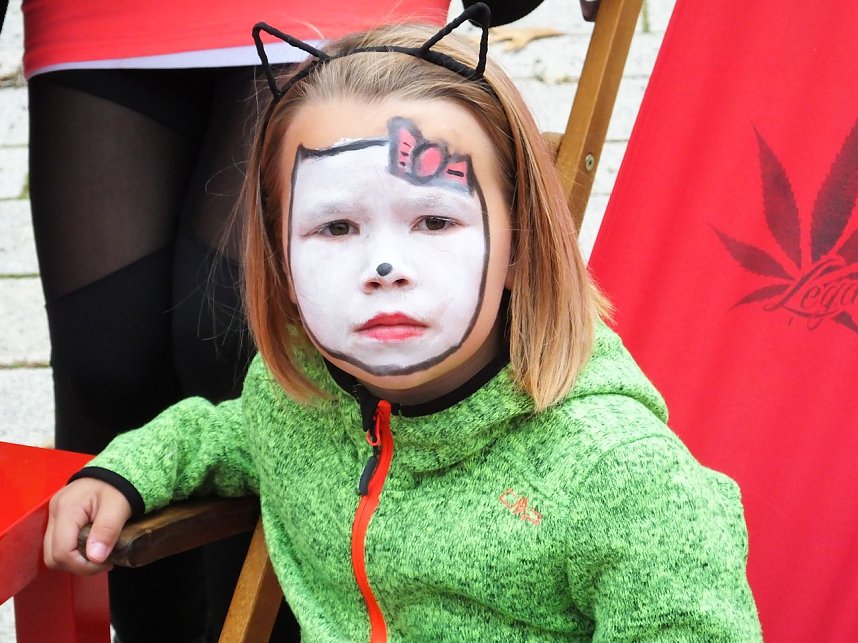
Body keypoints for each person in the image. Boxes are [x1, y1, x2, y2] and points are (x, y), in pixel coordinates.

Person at [43, 5, 763, 640]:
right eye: (336, 227)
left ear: (520, 246)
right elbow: (230, 434)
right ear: (280, 266)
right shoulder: (297, 402)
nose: (384, 265)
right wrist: (124, 474)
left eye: (434, 220)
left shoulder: (624, 481)